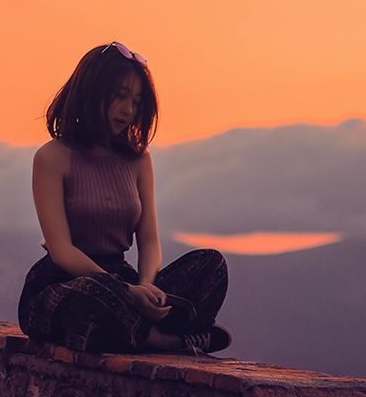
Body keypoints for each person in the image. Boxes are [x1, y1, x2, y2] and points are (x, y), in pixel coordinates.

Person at [17, 41, 231, 354]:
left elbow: (149, 241)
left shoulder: (139, 160)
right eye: (119, 96)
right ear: (91, 92)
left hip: (125, 280)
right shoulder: (52, 158)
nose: (128, 110)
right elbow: (61, 251)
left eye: (135, 101)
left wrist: (145, 286)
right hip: (67, 284)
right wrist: (126, 293)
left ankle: (138, 330)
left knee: (212, 265)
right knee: (96, 292)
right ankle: (163, 339)